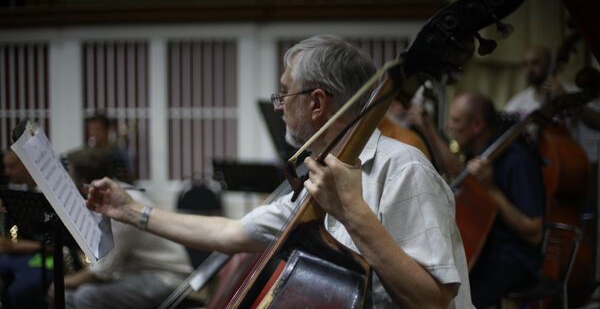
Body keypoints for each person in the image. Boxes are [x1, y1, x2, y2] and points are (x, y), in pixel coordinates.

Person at [86, 35, 473, 309]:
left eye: (284, 93)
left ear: (317, 103)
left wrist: (352, 212)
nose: (278, 105)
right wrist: (130, 211)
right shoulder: (314, 179)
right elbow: (230, 232)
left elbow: (433, 301)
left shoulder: (404, 168)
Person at [50, 147, 192, 309]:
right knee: (67, 297)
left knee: (86, 295)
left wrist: (61, 283)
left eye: (70, 175)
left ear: (84, 184)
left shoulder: (118, 205)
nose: (67, 179)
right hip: (137, 272)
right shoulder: (108, 193)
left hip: (166, 278)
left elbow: (102, 272)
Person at [446, 92, 546, 308]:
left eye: (455, 120)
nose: (449, 126)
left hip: (514, 259)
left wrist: (491, 189)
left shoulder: (518, 161)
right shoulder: (478, 156)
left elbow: (534, 233)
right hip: (483, 252)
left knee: (459, 301)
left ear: (477, 125)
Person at [0, 148, 51, 309]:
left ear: (28, 164)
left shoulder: (47, 193)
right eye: (5, 167)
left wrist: (14, 246)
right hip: (25, 254)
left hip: (48, 258)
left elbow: (56, 245)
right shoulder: (17, 191)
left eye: (12, 166)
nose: (7, 172)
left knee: (19, 291)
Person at [85, 113, 133, 183]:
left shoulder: (119, 154)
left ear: (107, 130)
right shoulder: (87, 153)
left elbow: (127, 179)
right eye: (91, 129)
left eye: (97, 129)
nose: (93, 133)